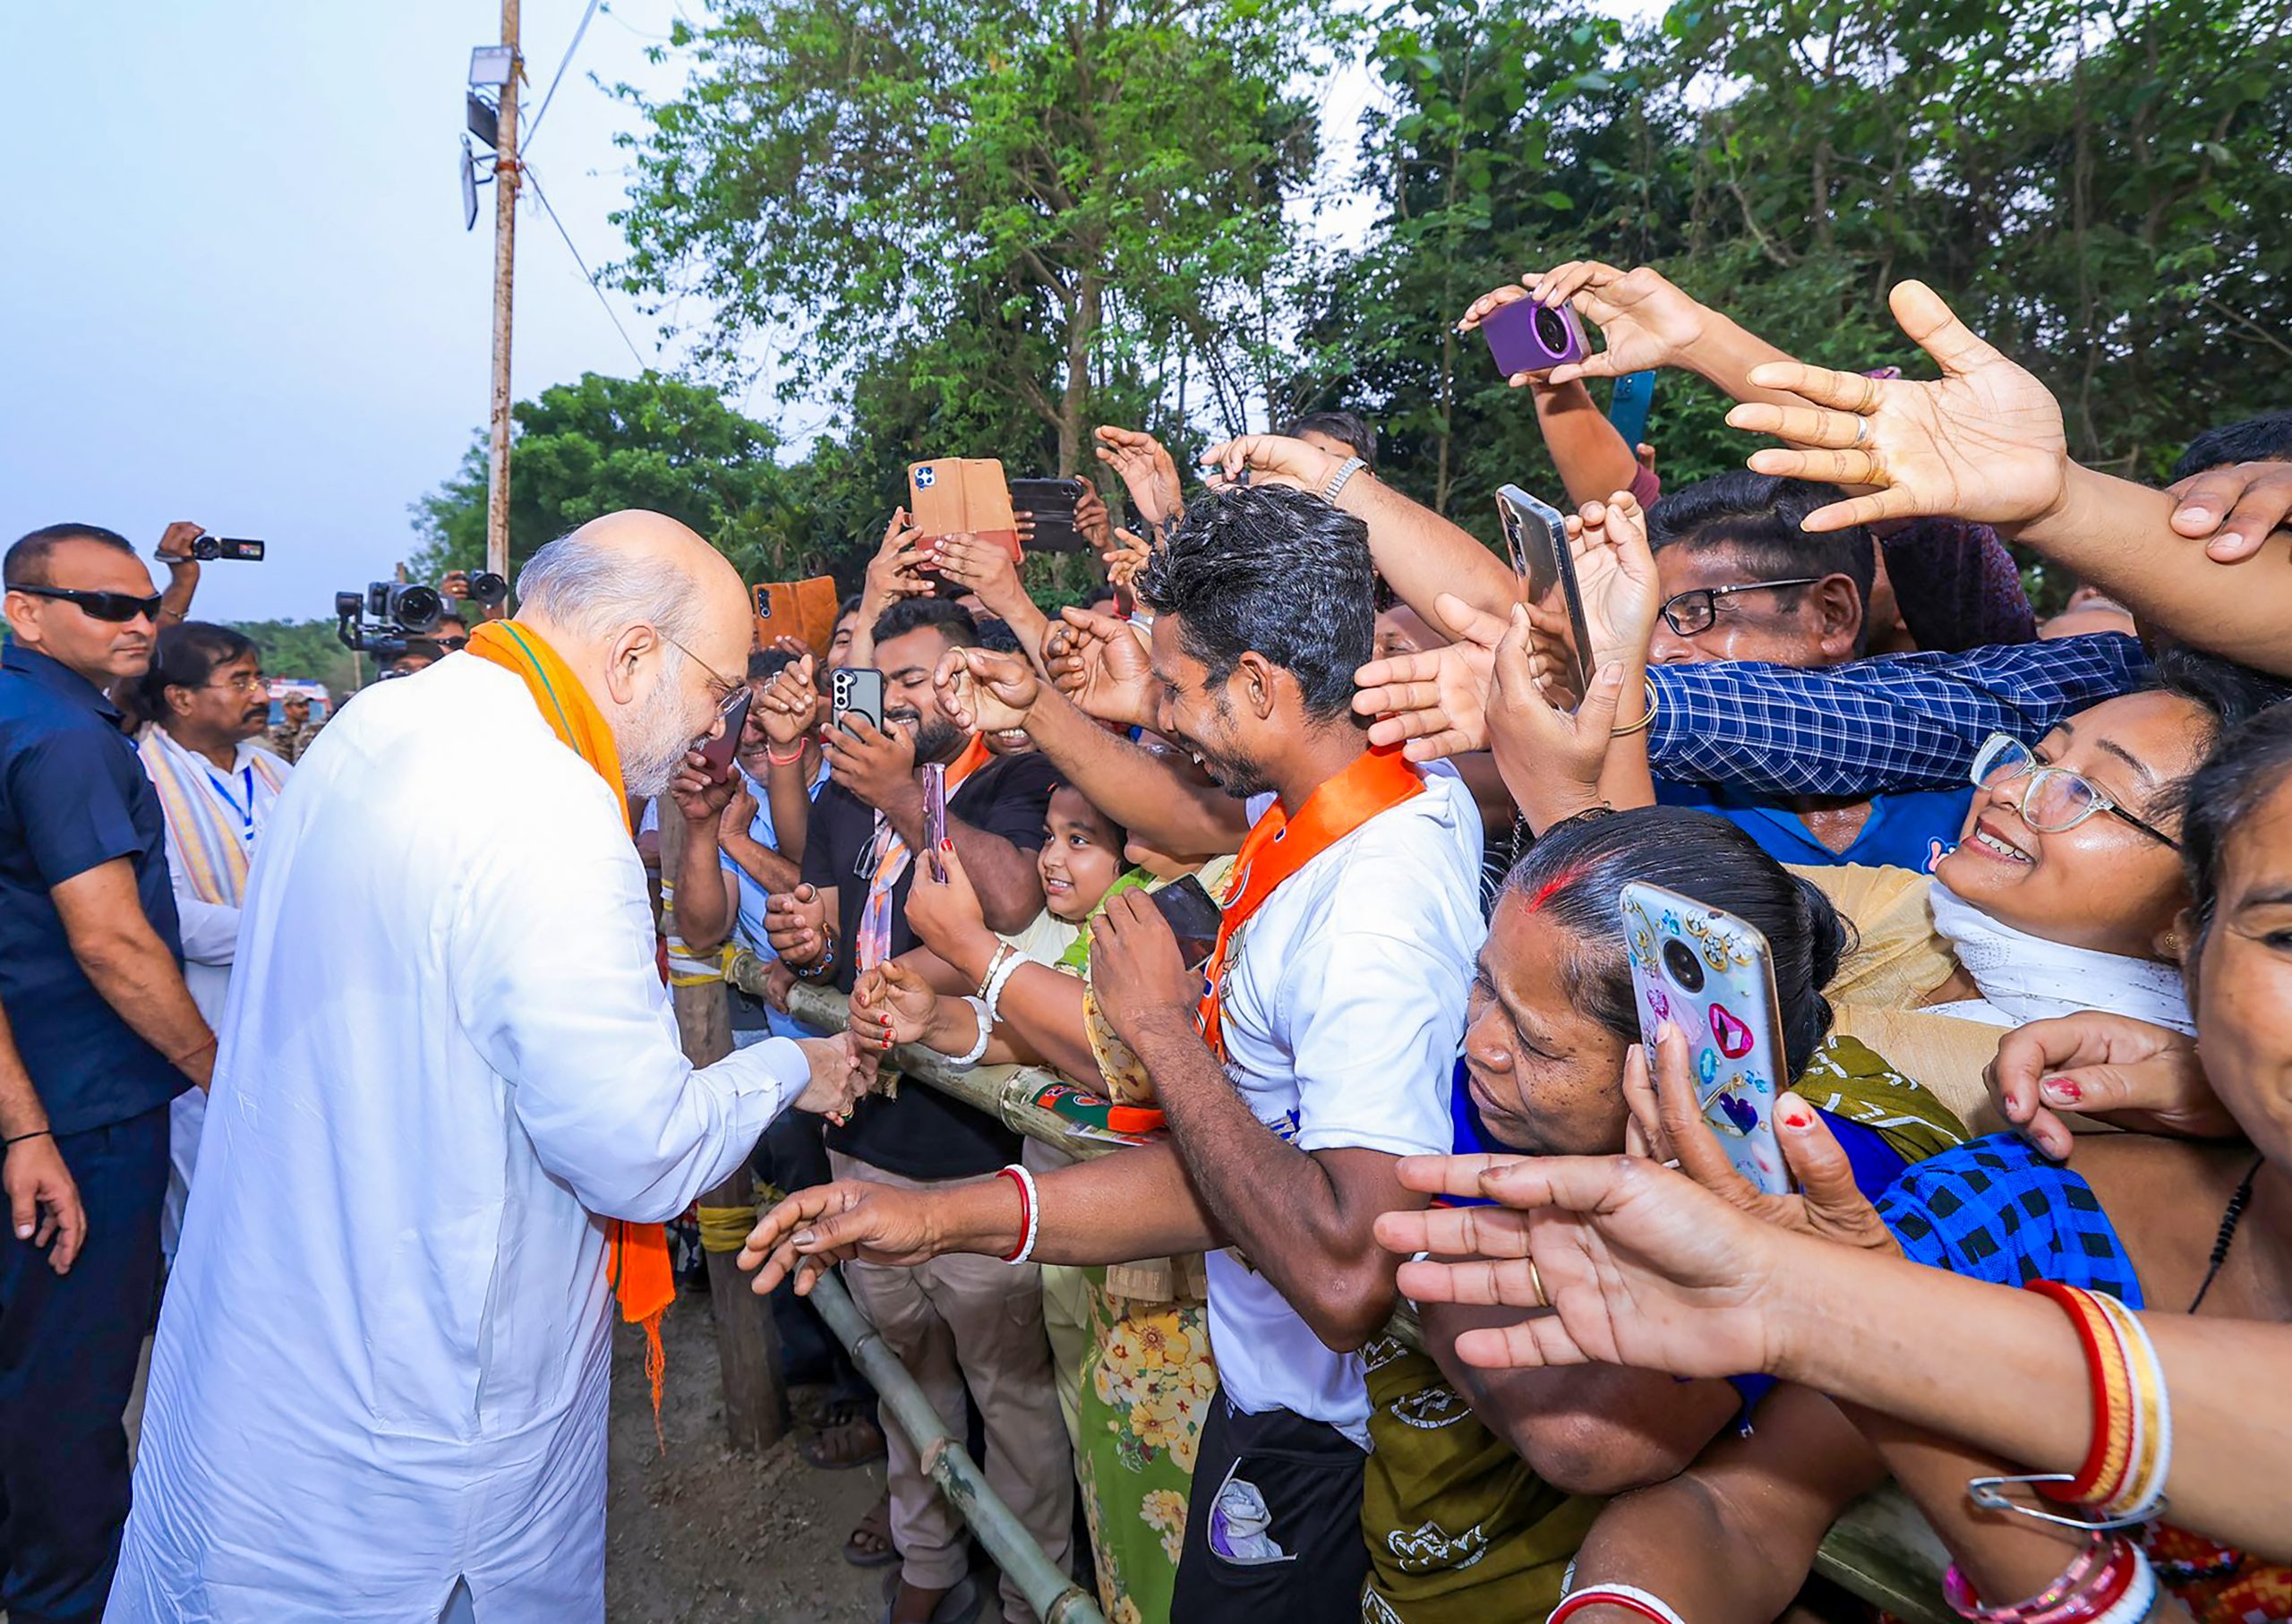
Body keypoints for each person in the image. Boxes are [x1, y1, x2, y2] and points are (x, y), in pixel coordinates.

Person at [108, 512, 869, 1621]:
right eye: (719, 688)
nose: (721, 722)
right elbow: (639, 1152)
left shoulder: (384, 720)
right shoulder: (550, 799)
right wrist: (791, 1067)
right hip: (418, 1422)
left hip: (285, 1350)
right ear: (631, 655)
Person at [745, 483, 1486, 1620]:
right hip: (1270, 1387)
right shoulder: (1355, 797)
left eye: (1178, 690)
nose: (1166, 720)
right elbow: (1244, 1173)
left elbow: (1341, 1273)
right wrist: (935, 1220)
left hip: (1324, 1429)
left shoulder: (1369, 911)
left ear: (1260, 686)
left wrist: (1154, 1032)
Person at [1354, 807, 1966, 1622]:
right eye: (1483, 982)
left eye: (1536, 1044)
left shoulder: (1824, 1172)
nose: (1480, 1044)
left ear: (1673, 1061)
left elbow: (1593, 1438)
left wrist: (1413, 1262)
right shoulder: (1492, 1092)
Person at [765, 595, 1070, 1624]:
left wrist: (910, 796)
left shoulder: (1025, 779)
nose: (894, 699)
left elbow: (1014, 902)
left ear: (968, 678)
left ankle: (1034, 1594)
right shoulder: (851, 786)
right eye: (882, 677)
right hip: (865, 1136)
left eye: (915, 679)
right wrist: (805, 935)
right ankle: (930, 1562)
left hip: (980, 1154)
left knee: (1013, 1395)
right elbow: (830, 928)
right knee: (903, 1375)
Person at [1, 523, 215, 1624]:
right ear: (25, 611)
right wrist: (224, 1072)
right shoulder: (67, 741)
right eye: (111, 607)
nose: (140, 625)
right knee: (72, 1388)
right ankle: (69, 1599)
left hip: (38, 1107)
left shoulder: (35, 706)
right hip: (82, 1115)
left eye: (147, 606)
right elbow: (112, 942)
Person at [1638, 470, 1976, 867]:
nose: (1658, 651)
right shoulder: (1649, 786)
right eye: (1650, 623)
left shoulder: (1984, 798)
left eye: (1697, 610)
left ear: (1832, 615)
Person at [132, 622, 292, 1260]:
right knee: (208, 1202)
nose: (259, 692)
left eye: (258, 677)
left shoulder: (277, 771)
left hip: (288, 1011)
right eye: (240, 680)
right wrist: (300, 924)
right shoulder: (142, 779)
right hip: (200, 1016)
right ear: (181, 698)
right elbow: (173, 920)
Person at [266, 688, 324, 763]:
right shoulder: (280, 735)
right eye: (300, 706)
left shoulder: (312, 731)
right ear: (287, 709)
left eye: (307, 705)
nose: (306, 710)